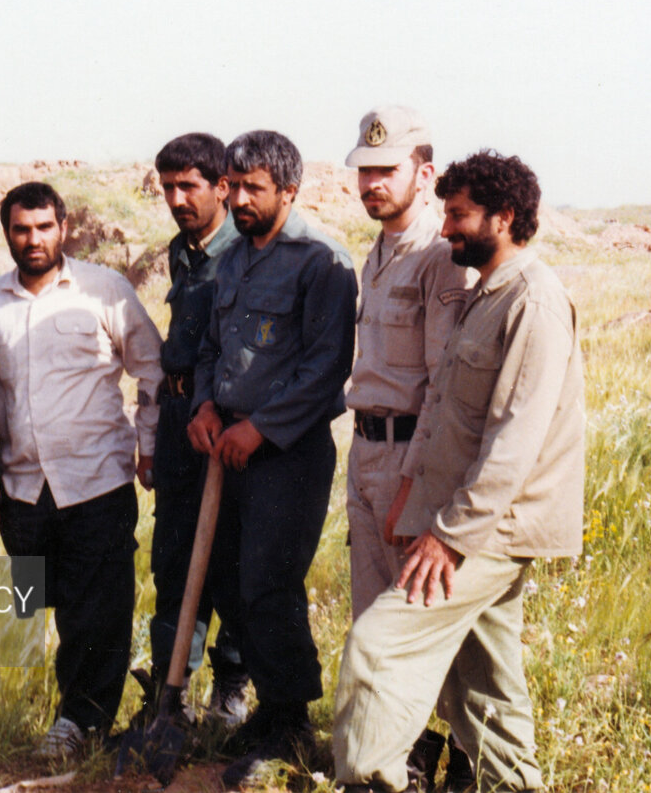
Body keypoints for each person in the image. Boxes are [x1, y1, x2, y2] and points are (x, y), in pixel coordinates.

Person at [333, 151, 585, 793]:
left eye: (459, 215)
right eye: (445, 214)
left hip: (491, 530)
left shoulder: (534, 302)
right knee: (484, 687)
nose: (445, 229)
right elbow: (447, 412)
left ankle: (370, 781)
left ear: (504, 217)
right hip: (470, 521)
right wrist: (415, 498)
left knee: (378, 646)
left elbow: (514, 442)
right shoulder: (488, 296)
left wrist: (448, 536)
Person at [186, 130, 358, 788]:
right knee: (231, 584)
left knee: (269, 582)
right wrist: (206, 404)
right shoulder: (233, 259)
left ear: (289, 190)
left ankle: (290, 722)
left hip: (286, 453)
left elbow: (325, 368)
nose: (238, 199)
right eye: (232, 186)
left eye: (253, 188)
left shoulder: (321, 261)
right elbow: (211, 347)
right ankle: (267, 710)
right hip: (225, 448)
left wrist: (261, 429)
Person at [0, 181, 163, 760]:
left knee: (96, 609)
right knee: (39, 607)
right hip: (24, 491)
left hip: (96, 481)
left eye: (44, 227)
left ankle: (82, 723)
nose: (33, 239)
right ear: (8, 234)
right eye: (21, 229)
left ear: (63, 228)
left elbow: (152, 367)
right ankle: (63, 709)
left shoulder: (104, 289)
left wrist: (150, 445)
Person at [341, 106, 472, 790]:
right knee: (374, 612)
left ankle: (461, 756)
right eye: (364, 171)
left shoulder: (437, 257)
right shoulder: (379, 251)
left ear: (424, 175)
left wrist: (414, 484)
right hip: (366, 447)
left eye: (386, 170)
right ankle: (402, 752)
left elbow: (441, 387)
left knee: (417, 614)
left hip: (406, 455)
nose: (372, 184)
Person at [144, 132, 249, 724]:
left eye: (188, 186)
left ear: (222, 187)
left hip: (228, 420)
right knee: (173, 556)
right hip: (178, 417)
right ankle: (169, 691)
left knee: (232, 558)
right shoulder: (181, 251)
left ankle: (230, 689)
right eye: (167, 187)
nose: (177, 199)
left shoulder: (245, 251)